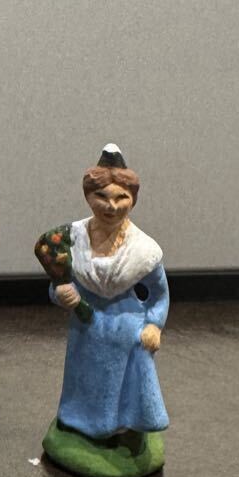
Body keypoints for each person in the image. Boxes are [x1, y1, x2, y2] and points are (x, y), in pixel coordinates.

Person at [48, 144, 169, 448]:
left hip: (125, 328)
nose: (111, 206)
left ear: (133, 199)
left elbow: (159, 295)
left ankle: (121, 426)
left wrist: (154, 325)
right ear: (88, 196)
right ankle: (80, 421)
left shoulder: (144, 249)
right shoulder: (71, 237)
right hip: (85, 327)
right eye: (101, 196)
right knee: (84, 375)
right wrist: (60, 293)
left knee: (122, 381)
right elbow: (59, 280)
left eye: (121, 198)